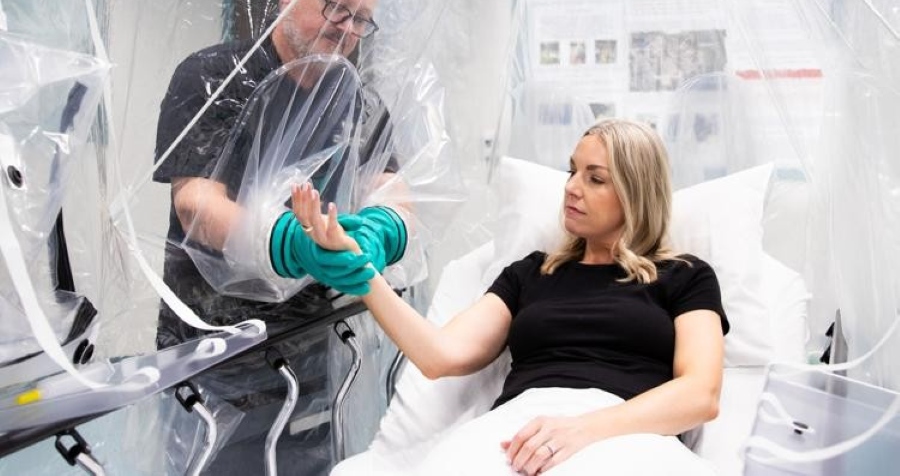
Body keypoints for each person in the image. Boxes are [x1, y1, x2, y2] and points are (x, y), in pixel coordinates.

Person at [291, 118, 730, 475]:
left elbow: (699, 394)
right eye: (572, 170)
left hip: (624, 434)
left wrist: (584, 430)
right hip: (516, 432)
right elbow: (438, 355)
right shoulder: (531, 273)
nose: (572, 187)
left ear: (636, 193)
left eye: (595, 179)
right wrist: (361, 273)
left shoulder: (684, 277)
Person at [152, 0, 408, 475]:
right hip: (213, 360)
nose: (347, 31)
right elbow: (195, 203)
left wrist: (382, 229)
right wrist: (288, 244)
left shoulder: (357, 99)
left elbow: (389, 182)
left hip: (316, 353)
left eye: (362, 20)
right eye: (337, 8)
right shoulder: (212, 78)